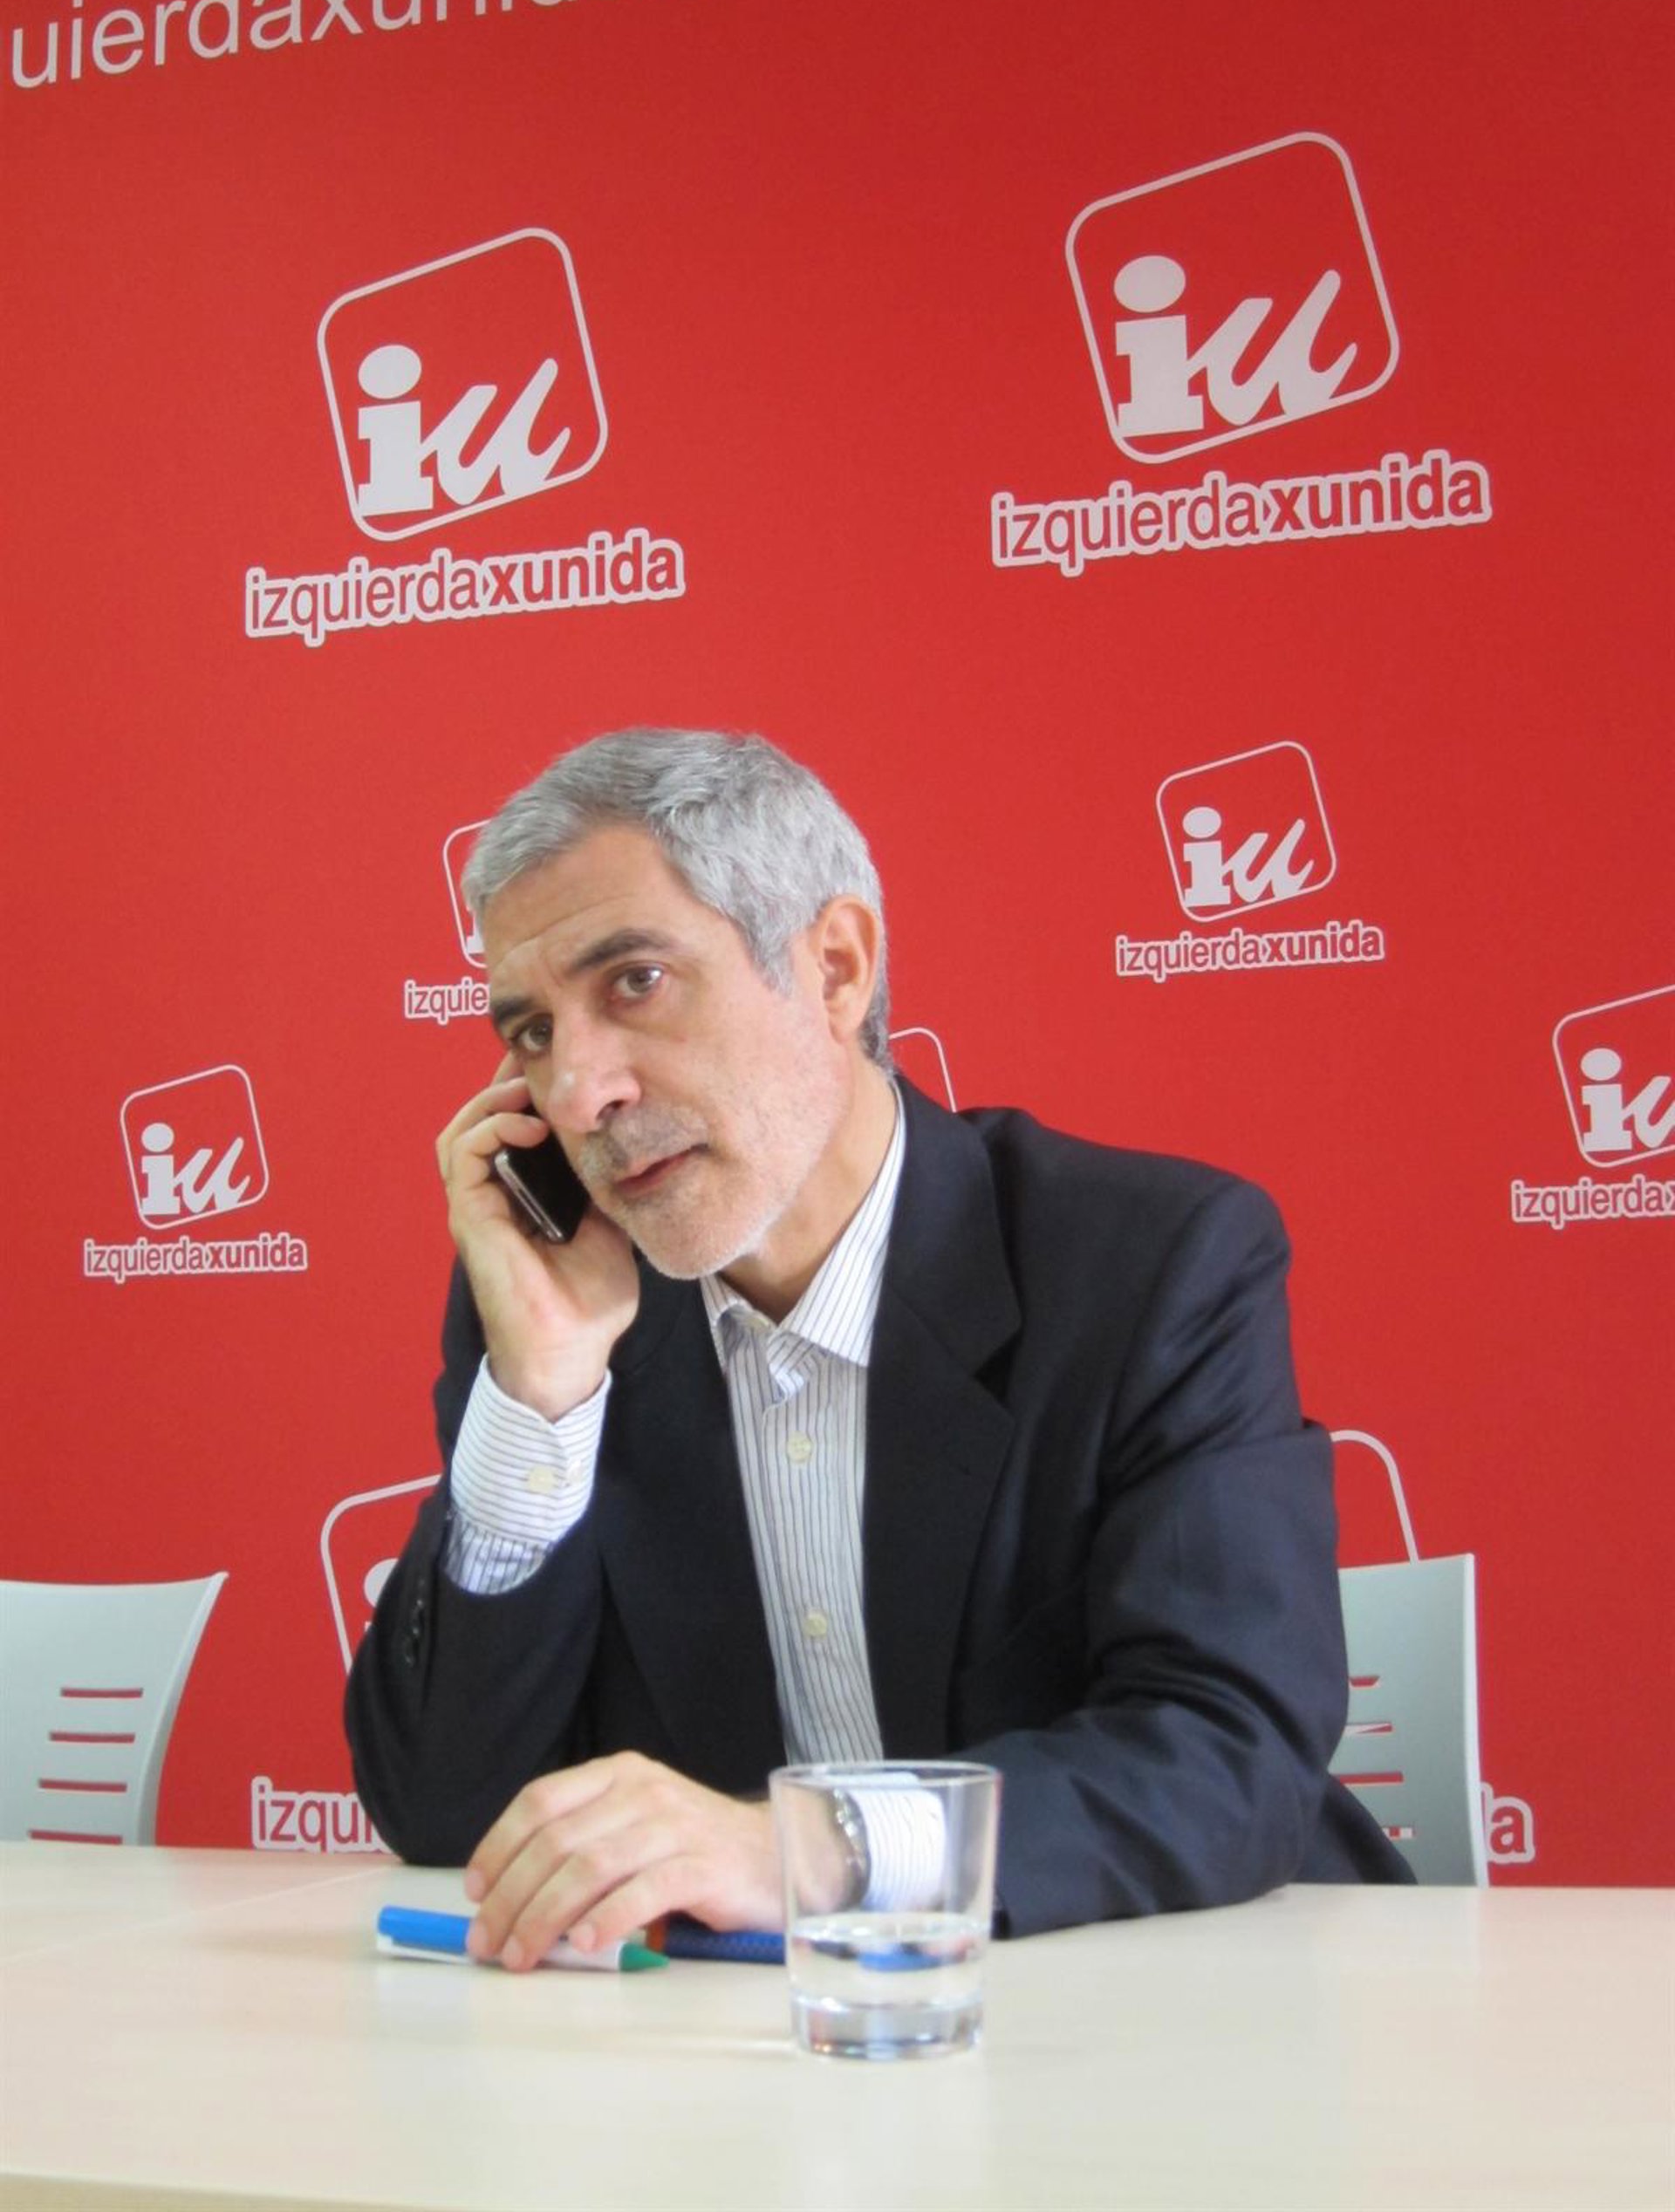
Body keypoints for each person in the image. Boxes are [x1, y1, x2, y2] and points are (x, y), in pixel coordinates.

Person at [345, 727, 1407, 1970]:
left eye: (635, 982)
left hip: (1169, 1999)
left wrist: (806, 1850)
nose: (579, 1092)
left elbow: (1227, 1754)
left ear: (836, 970)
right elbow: (444, 1810)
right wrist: (541, 1395)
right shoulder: (559, 1315)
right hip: (762, 2046)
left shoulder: (1150, 1265)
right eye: (531, 1033)